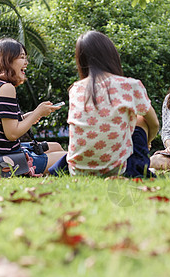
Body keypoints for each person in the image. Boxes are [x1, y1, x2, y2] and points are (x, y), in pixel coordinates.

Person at [64, 31, 159, 177]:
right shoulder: (130, 85)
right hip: (119, 169)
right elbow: (154, 124)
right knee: (140, 120)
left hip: (78, 170)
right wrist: (148, 142)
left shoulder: (75, 89)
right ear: (111, 55)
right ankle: (139, 167)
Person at [0, 38, 67, 177]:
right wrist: (37, 113)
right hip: (1, 162)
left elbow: (1, 124)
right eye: (21, 57)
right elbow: (12, 134)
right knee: (66, 157)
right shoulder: (6, 88)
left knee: (56, 147)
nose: (26, 62)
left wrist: (30, 115)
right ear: (7, 60)